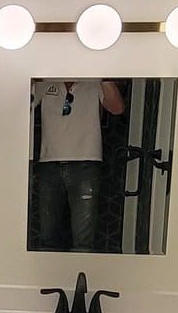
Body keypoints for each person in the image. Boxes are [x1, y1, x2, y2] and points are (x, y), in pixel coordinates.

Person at [31, 79, 125, 252]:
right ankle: (47, 277)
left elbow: (117, 108)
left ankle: (82, 274)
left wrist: (103, 73)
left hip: (86, 163)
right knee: (47, 237)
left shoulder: (95, 81)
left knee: (83, 241)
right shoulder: (47, 79)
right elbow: (22, 105)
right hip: (49, 163)